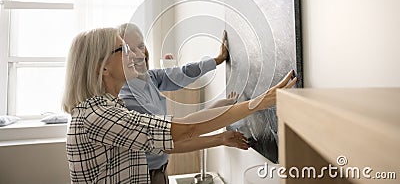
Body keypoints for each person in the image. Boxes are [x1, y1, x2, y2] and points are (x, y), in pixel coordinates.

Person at [62, 27, 296, 184]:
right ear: (102, 66)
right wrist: (259, 103)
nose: (134, 54)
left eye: (136, 46)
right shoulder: (99, 115)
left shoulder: (113, 106)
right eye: (122, 49)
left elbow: (172, 127)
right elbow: (181, 130)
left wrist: (216, 61)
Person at [117, 23, 238, 183]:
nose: (140, 53)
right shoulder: (128, 100)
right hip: (143, 176)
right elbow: (174, 138)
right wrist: (220, 137)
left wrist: (217, 60)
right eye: (131, 49)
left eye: (141, 45)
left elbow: (183, 73)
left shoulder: (149, 77)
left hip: (160, 170)